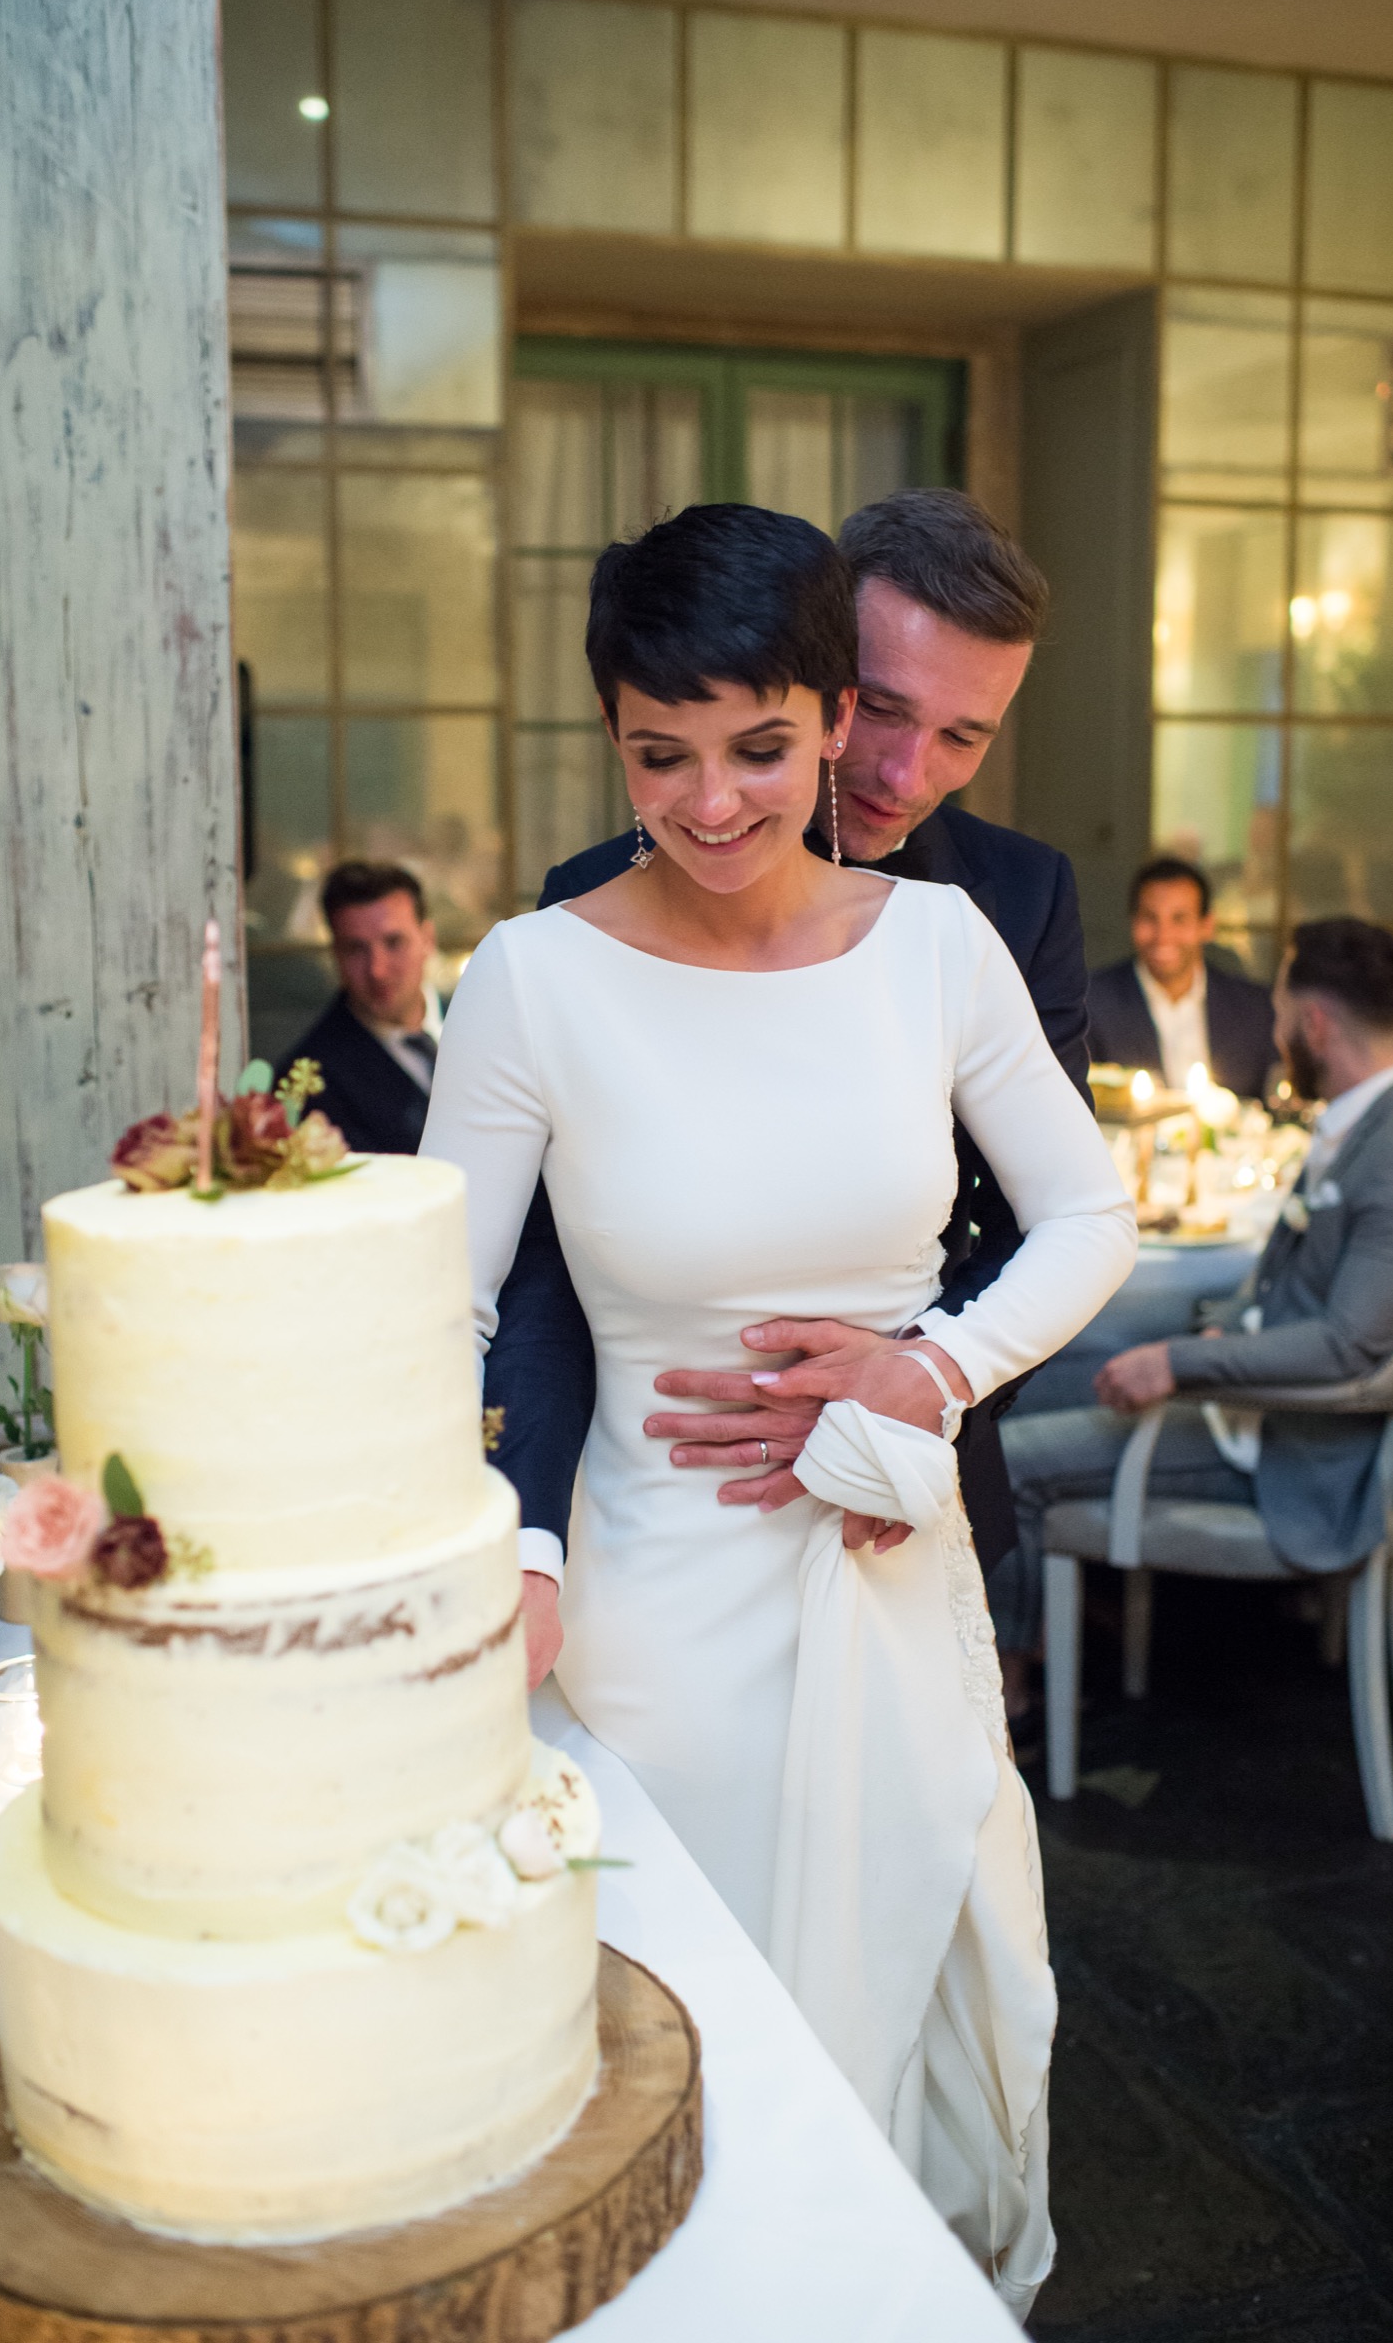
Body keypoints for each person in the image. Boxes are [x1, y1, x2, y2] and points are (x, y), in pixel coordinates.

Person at [423, 503, 1136, 2310]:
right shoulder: (529, 976)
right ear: (611, 735)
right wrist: (504, 1544)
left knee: (897, 2006)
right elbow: (444, 1311)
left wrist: (931, 1368)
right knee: (679, 2042)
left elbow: (1087, 1214)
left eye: (760, 749)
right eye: (663, 757)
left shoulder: (947, 946)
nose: (715, 802)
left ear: (825, 719)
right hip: (648, 1599)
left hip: (886, 1573)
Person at [486, 489, 1094, 1680]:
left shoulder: (1007, 907)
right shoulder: (577, 916)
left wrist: (899, 1397)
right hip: (652, 1508)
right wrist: (528, 1535)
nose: (907, 772)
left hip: (900, 1497)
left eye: (965, 737)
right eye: (887, 713)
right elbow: (536, 1273)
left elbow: (1040, 1230)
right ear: (818, 676)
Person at [995, 917, 1393, 1710]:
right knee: (1025, 1388)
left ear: (1314, 1024)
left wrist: (1177, 1363)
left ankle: (1005, 1691)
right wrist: (1221, 1332)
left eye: (1283, 1014)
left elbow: (1345, 1347)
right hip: (1264, 1414)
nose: (1277, 1031)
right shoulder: (1367, 1122)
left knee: (1007, 1460)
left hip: (1303, 1452)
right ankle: (1049, 1622)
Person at [274, 862, 440, 1154]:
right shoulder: (309, 1081)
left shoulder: (483, 1018)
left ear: (428, 939)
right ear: (335, 954)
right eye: (356, 949)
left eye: (393, 942)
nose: (377, 970)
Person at [1086, 854, 1276, 1096]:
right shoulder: (1093, 1002)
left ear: (1206, 925)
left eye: (1179, 919)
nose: (1163, 936)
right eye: (1149, 918)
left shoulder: (1253, 1007)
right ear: (1132, 922)